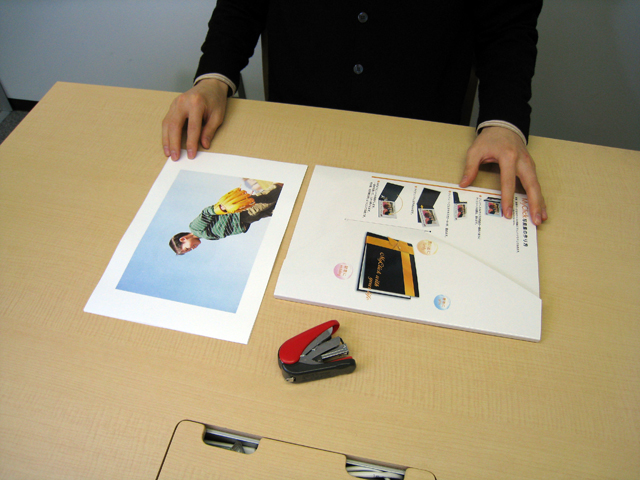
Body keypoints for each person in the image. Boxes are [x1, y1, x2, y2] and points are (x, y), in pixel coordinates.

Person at [162, 1, 547, 226]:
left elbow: (507, 25)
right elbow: (242, 6)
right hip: (297, 132)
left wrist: (503, 121)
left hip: (420, 137)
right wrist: (213, 77)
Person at [170, 182, 282, 255]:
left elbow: (206, 213)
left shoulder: (195, 228)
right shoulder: (205, 236)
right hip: (246, 220)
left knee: (274, 194)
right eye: (190, 251)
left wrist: (220, 208)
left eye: (187, 248)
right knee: (277, 208)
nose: (192, 249)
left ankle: (287, 180)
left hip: (242, 212)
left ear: (183, 239)